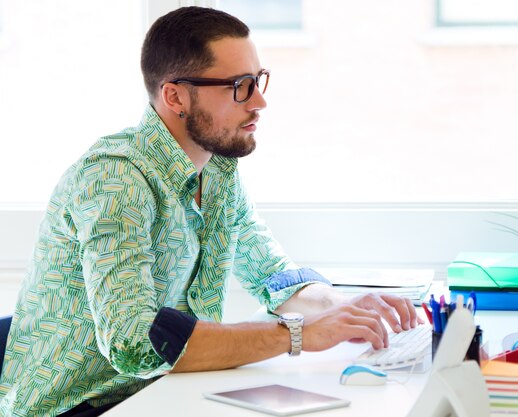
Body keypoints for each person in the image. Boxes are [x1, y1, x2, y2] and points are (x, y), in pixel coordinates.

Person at [0, 7, 420, 417]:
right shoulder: (114, 178)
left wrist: (346, 309)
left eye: (258, 81)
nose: (259, 103)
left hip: (160, 393)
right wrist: (296, 335)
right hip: (80, 407)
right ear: (175, 96)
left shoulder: (217, 168)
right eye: (239, 85)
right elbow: (135, 344)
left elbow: (271, 275)